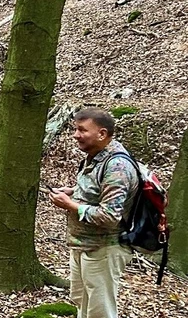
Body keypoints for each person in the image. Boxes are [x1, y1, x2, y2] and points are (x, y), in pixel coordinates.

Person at [50, 107, 137, 318]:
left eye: (82, 130)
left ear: (102, 134)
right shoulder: (95, 156)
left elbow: (109, 217)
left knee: (100, 311)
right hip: (83, 245)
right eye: (75, 129)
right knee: (83, 305)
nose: (75, 135)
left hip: (104, 248)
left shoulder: (117, 166)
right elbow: (96, 191)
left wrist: (70, 204)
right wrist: (73, 191)